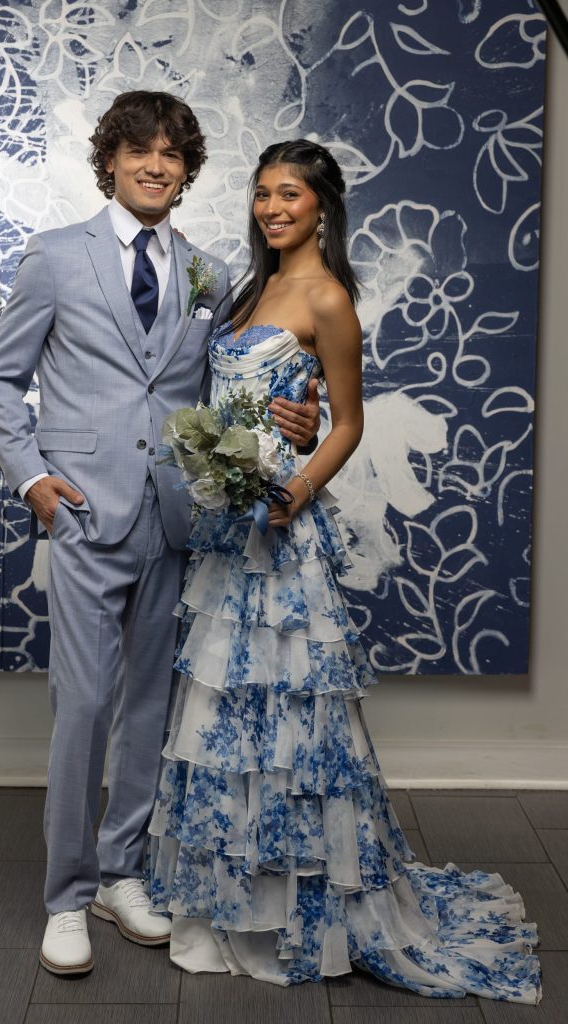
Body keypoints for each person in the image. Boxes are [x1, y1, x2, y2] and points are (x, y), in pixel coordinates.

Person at [147, 139, 542, 1003]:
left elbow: (347, 422)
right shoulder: (249, 289)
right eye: (260, 194)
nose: (271, 207)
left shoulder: (327, 296)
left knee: (290, 713)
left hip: (280, 526)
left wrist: (294, 484)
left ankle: (298, 909)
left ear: (321, 205)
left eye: (287, 194)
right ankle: (222, 906)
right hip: (225, 529)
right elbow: (240, 400)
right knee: (223, 710)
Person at [0, 92, 319, 977]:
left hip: (174, 516)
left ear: (186, 169)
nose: (155, 165)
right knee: (83, 706)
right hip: (82, 511)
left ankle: (119, 874)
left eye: (171, 154)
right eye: (139, 150)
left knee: (145, 712)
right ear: (112, 159)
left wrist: (299, 418)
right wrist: (35, 479)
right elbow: (0, 381)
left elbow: (228, 390)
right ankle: (65, 894)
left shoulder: (207, 274)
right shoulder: (56, 257)